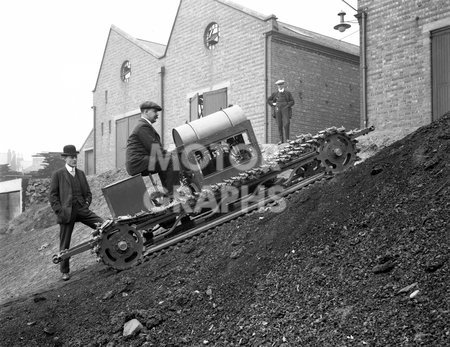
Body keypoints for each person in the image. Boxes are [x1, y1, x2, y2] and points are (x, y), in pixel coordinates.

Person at [49, 145, 103, 281]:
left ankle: (107, 253)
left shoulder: (80, 173)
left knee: (103, 225)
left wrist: (85, 204)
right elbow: (53, 196)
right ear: (65, 158)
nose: (74, 159)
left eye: (75, 157)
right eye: (71, 157)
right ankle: (64, 271)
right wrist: (59, 211)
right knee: (65, 243)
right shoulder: (58, 174)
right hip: (66, 213)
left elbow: (88, 193)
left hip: (82, 209)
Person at [126, 101, 180, 197]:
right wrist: (171, 153)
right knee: (172, 160)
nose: (157, 115)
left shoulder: (143, 126)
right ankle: (174, 195)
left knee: (164, 161)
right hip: (138, 162)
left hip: (140, 161)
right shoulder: (143, 126)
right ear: (146, 112)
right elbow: (155, 149)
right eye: (155, 111)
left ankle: (169, 193)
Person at [267, 79, 295, 144]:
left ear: (283, 85)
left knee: (287, 123)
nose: (280, 86)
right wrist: (274, 104)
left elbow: (292, 101)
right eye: (278, 85)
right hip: (278, 109)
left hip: (285, 109)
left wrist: (287, 105)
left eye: (281, 85)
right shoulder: (275, 94)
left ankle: (287, 139)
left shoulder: (288, 93)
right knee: (279, 124)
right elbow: (268, 100)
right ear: (277, 86)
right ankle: (281, 140)